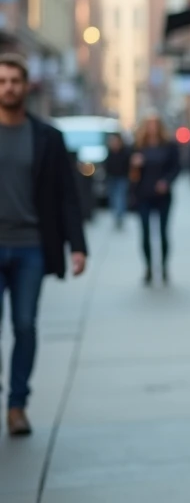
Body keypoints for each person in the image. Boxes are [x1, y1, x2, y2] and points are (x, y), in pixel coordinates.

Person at [0, 54, 87, 437]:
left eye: (14, 81)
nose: (8, 88)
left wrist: (77, 246)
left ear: (25, 86)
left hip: (31, 246)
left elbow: (67, 195)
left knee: (24, 325)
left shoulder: (48, 137)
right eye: (2, 81)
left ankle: (17, 405)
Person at [130, 113, 179, 285]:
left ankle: (164, 267)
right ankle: (149, 267)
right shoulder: (138, 145)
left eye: (155, 124)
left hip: (163, 196)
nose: (152, 127)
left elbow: (176, 167)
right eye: (149, 124)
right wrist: (134, 164)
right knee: (145, 233)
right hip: (143, 195)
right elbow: (128, 171)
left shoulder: (169, 145)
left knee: (163, 233)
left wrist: (166, 182)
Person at [104, 132, 131, 229]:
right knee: (113, 198)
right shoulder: (110, 152)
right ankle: (116, 215)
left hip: (122, 178)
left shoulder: (125, 152)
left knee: (120, 197)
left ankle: (119, 216)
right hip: (112, 178)